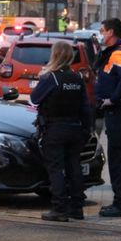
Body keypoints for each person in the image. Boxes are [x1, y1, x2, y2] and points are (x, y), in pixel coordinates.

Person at [30, 41, 92, 222]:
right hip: (75, 129)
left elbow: (34, 99)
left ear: (55, 55)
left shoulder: (51, 78)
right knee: (74, 168)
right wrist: (87, 130)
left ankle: (59, 209)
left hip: (55, 129)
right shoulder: (77, 78)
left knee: (56, 169)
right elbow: (86, 107)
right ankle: (77, 208)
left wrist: (42, 76)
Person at [95, 18, 121, 217]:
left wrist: (112, 99)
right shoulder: (118, 52)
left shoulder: (118, 54)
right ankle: (120, 202)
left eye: (103, 31)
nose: (101, 34)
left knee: (118, 161)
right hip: (119, 114)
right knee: (119, 159)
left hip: (119, 115)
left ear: (111, 32)